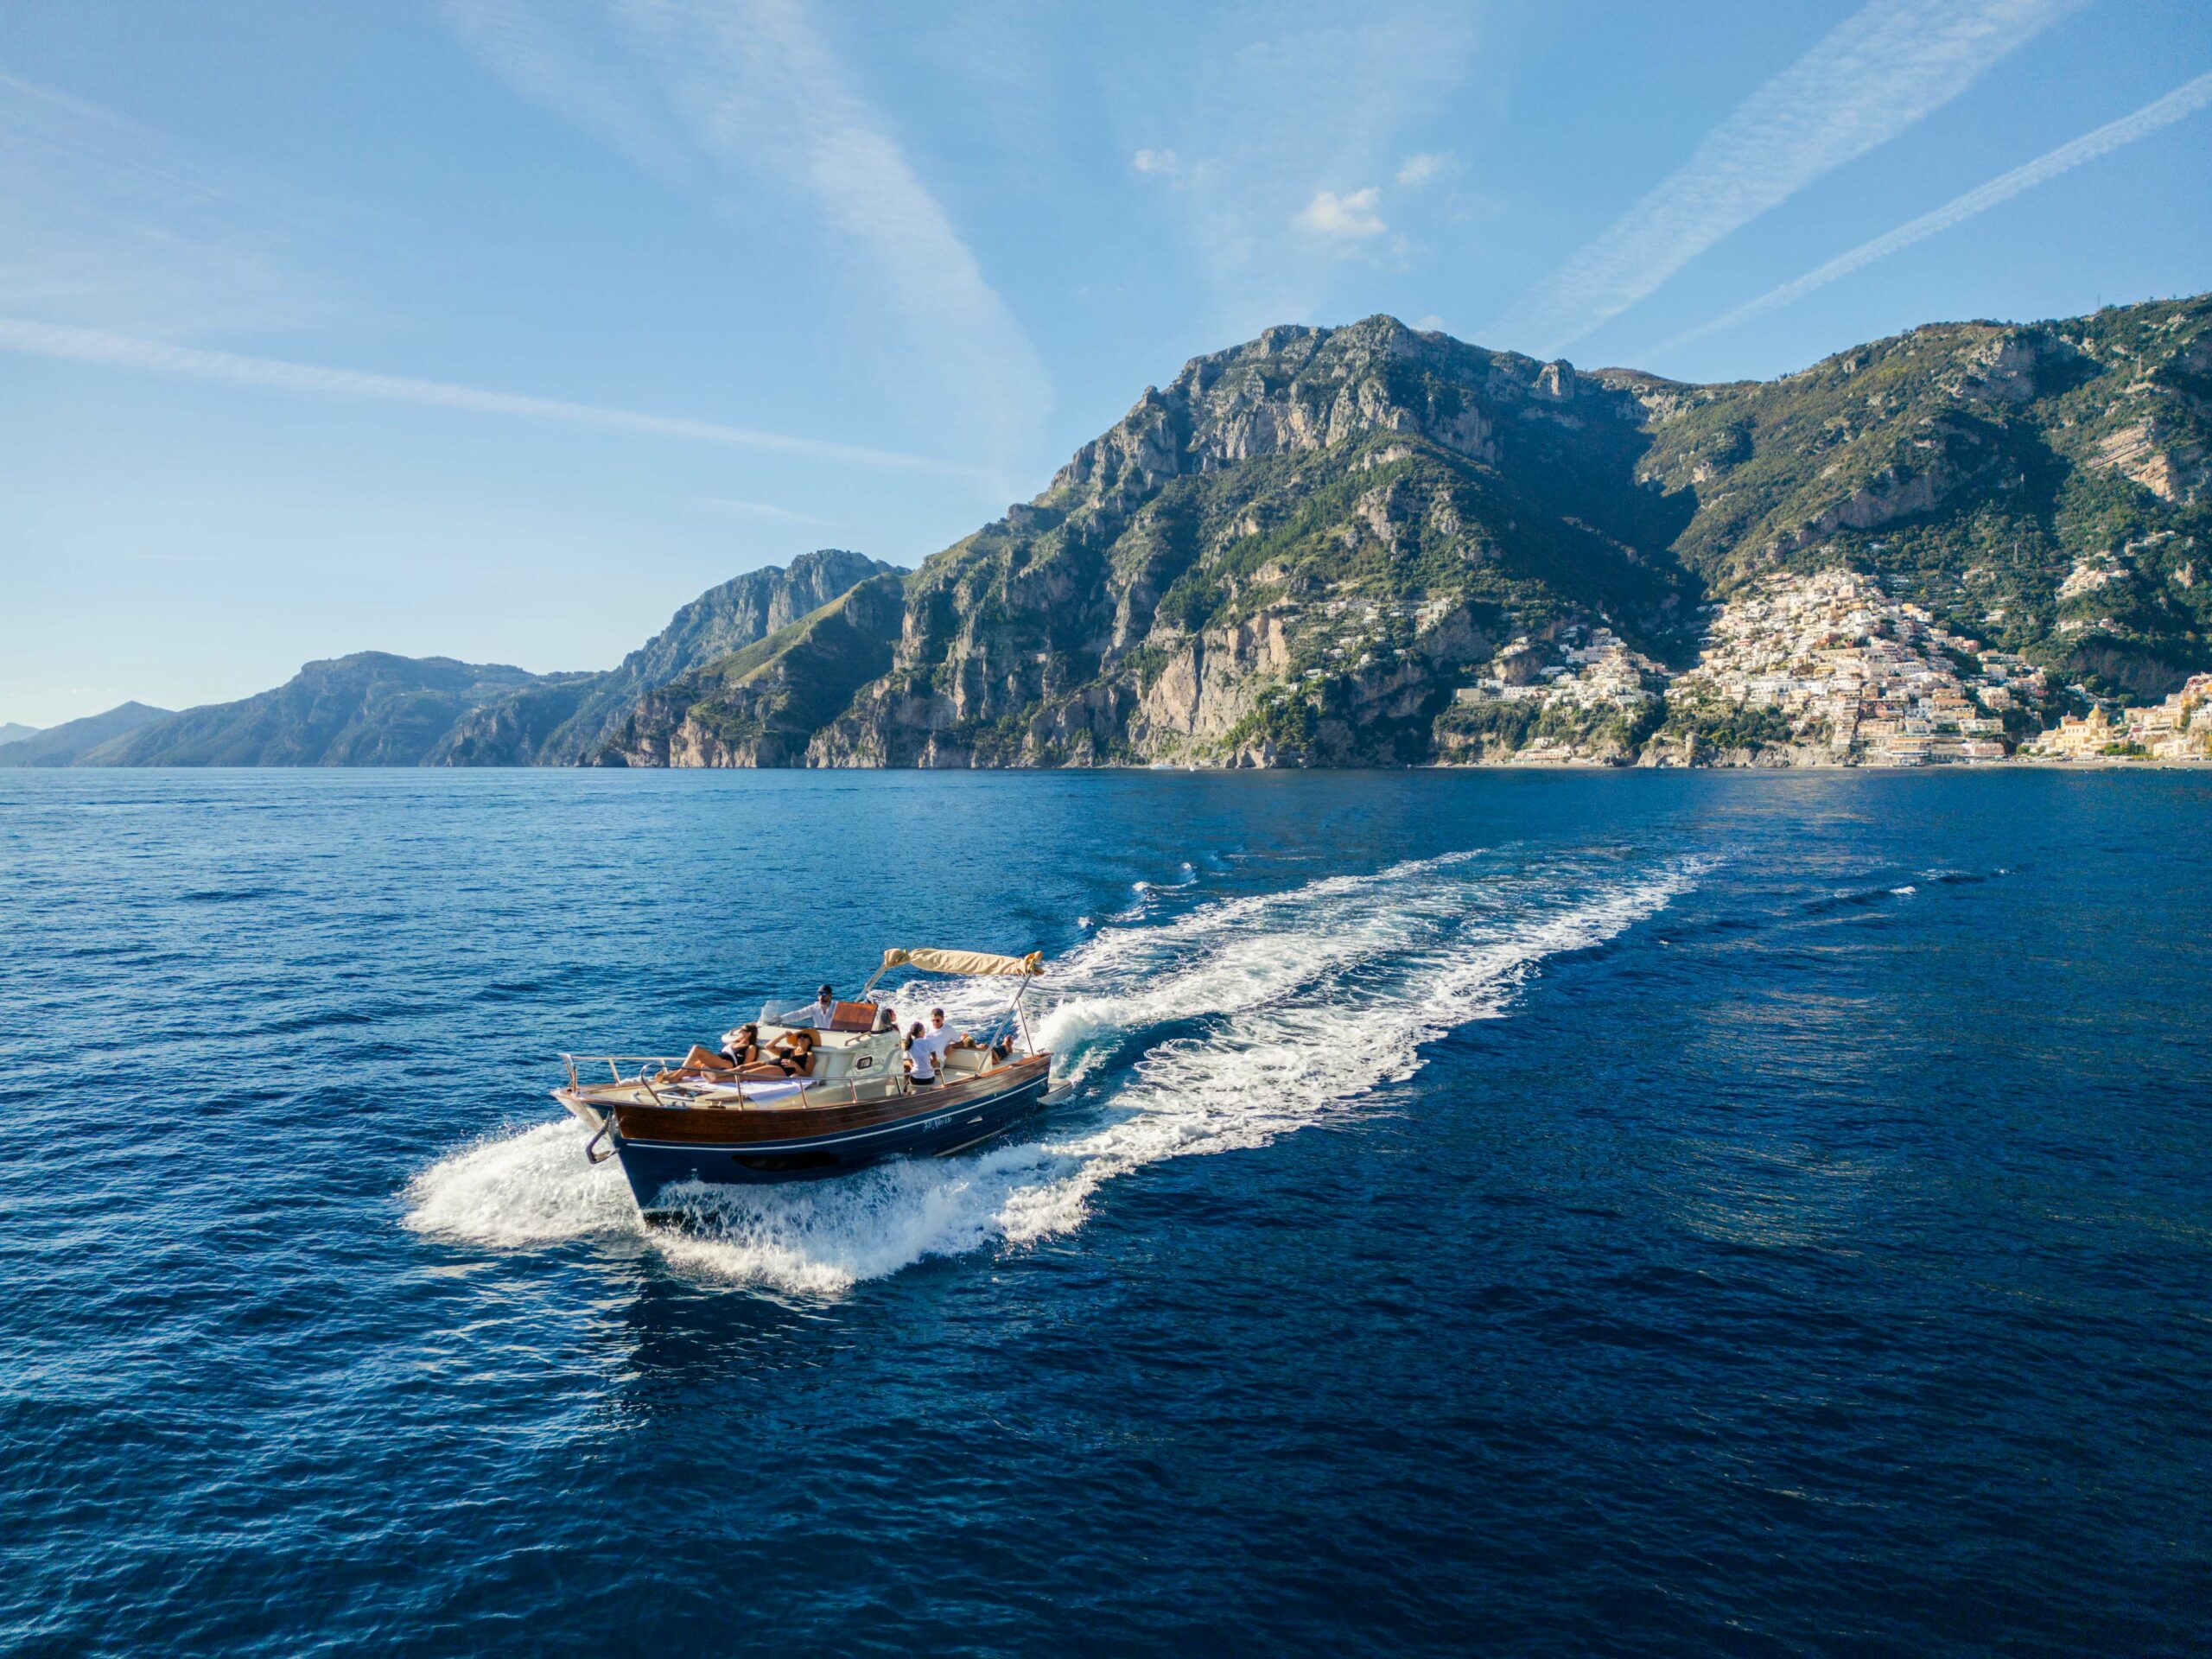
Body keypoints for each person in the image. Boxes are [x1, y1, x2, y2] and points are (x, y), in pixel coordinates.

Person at [904, 1021, 941, 1085]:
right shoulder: (929, 1042)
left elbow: (910, 1062)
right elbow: (935, 1060)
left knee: (906, 1069)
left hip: (915, 1080)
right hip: (930, 1079)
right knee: (938, 1063)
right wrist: (927, 1068)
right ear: (920, 1032)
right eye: (924, 1029)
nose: (925, 1031)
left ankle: (905, 1087)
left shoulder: (909, 1044)